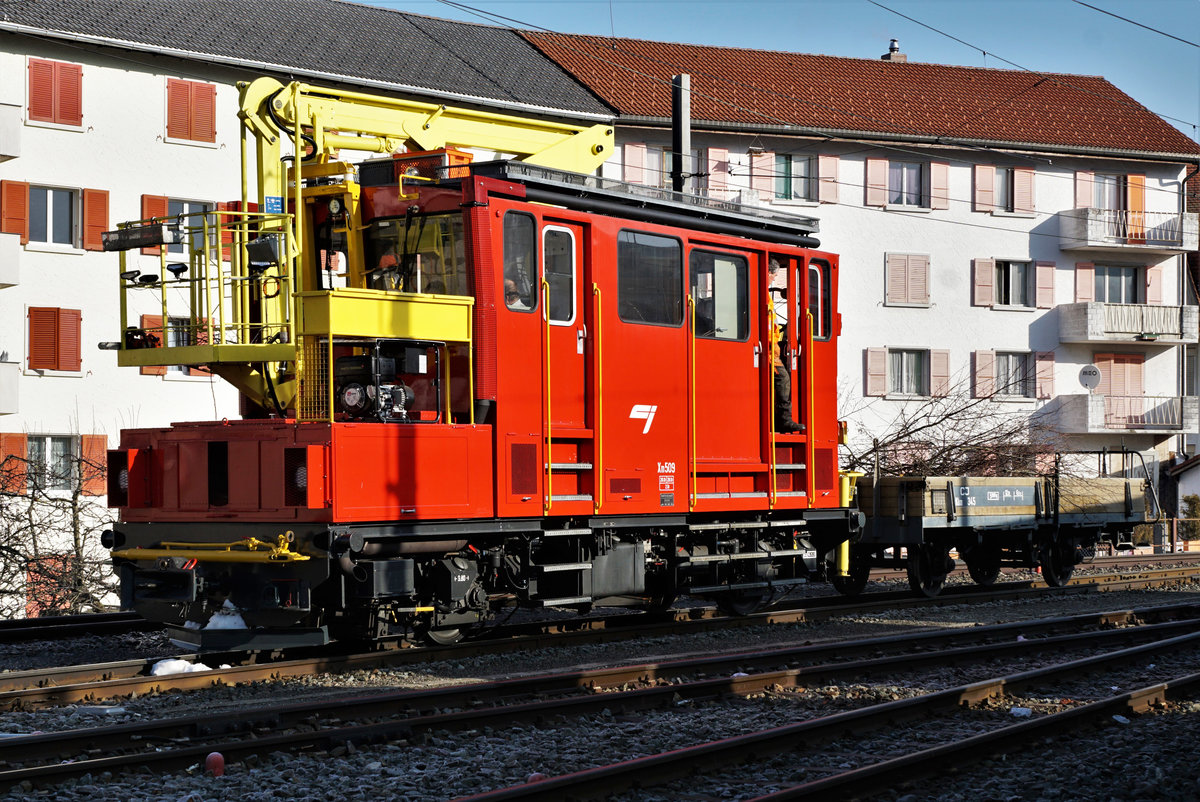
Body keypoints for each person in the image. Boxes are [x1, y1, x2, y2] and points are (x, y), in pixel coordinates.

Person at [768, 259, 805, 434]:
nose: (774, 280)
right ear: (768, 273)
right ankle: (783, 419)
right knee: (783, 379)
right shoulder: (762, 293)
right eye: (774, 275)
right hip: (769, 351)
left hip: (771, 347)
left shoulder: (763, 293)